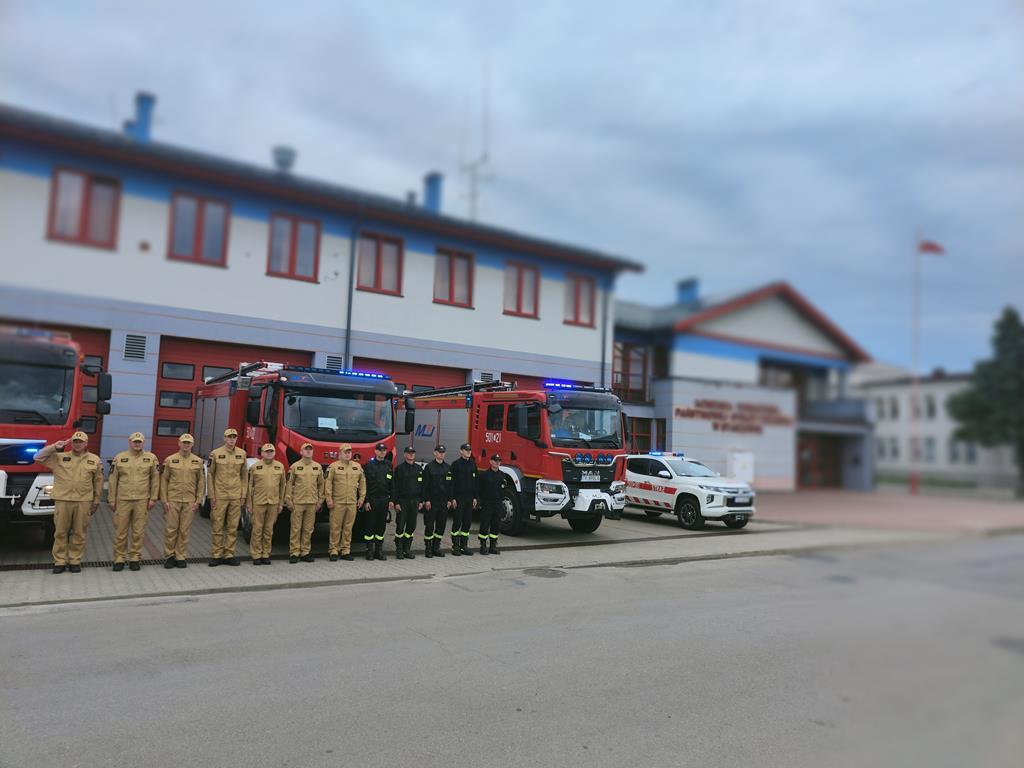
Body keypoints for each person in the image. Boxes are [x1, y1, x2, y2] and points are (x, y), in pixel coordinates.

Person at [35, 431, 103, 574]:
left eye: (81, 442)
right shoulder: (59, 458)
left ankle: (75, 560)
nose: (78, 444)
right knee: (60, 532)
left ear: (86, 443)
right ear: (71, 443)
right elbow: (38, 457)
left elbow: (98, 482)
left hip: (83, 501)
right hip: (63, 500)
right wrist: (55, 446)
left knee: (79, 532)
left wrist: (96, 501)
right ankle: (59, 561)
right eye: (75, 441)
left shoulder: (95, 459)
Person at [108, 431, 159, 571]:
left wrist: (153, 498)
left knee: (138, 531)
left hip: (142, 500)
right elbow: (112, 480)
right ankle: (119, 558)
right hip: (123, 499)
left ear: (143, 443)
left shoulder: (151, 458)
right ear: (129, 442)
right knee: (120, 531)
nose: (137, 444)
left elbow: (155, 480)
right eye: (135, 441)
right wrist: (111, 499)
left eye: (139, 442)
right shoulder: (120, 458)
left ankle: (135, 558)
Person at [159, 433, 205, 568]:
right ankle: (169, 556)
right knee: (171, 529)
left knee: (184, 530)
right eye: (184, 442)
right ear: (179, 443)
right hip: (173, 500)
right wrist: (164, 500)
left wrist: (198, 501)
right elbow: (164, 480)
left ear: (192, 444)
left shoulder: (198, 461)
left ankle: (180, 556)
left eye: (188, 443)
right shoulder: (170, 460)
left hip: (190, 502)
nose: (186, 445)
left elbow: (201, 482)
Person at [207, 427, 247, 566]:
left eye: (234, 437)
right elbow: (210, 475)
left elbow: (244, 476)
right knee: (217, 526)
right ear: (224, 438)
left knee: (232, 527)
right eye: (229, 437)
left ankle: (229, 554)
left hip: (235, 495)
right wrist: (211, 495)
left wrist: (243, 494)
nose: (231, 439)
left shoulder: (242, 454)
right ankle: (216, 555)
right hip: (220, 495)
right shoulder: (215, 454)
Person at [247, 443, 286, 564]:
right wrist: (249, 504)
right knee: (257, 530)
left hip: (273, 503)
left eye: (271, 451)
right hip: (259, 502)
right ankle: (256, 555)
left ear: (274, 453)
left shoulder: (280, 467)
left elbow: (282, 487)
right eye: (267, 451)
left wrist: (281, 503)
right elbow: (249, 487)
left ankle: (265, 554)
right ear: (262, 453)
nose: (269, 453)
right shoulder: (255, 467)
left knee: (269, 530)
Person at [325, 443, 365, 561]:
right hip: (337, 502)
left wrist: (361, 498)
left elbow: (362, 483)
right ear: (340, 453)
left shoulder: (357, 467)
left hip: (351, 502)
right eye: (345, 452)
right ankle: (333, 550)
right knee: (335, 527)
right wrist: (328, 499)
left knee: (348, 528)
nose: (348, 454)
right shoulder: (333, 467)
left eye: (349, 452)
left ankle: (345, 550)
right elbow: (328, 483)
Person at [285, 441, 324, 563]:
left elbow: (321, 485)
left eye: (310, 449)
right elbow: (289, 484)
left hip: (312, 503)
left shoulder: (317, 467)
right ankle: (294, 552)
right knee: (295, 528)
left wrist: (320, 501)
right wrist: (288, 500)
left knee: (308, 529)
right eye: (306, 449)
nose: (308, 451)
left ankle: (305, 552)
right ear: (301, 452)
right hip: (298, 502)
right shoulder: (294, 467)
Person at [361, 442, 394, 561]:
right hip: (372, 500)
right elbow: (364, 485)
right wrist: (366, 501)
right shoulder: (369, 465)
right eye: (380, 450)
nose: (382, 452)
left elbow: (392, 484)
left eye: (384, 450)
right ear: (375, 451)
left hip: (384, 500)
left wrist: (391, 500)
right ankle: (369, 550)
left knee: (381, 526)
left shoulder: (389, 465)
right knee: (370, 525)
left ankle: (378, 551)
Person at [392, 445, 424, 560]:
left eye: (413, 453)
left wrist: (421, 500)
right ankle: (399, 550)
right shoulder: (399, 469)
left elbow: (423, 486)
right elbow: (395, 487)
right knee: (400, 526)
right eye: (409, 453)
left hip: (415, 501)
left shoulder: (418, 469)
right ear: (405, 454)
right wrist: (396, 502)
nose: (411, 455)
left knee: (411, 526)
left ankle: (407, 549)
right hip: (403, 501)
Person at [422, 445, 454, 558]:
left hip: (443, 502)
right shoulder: (429, 467)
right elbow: (425, 486)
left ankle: (436, 548)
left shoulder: (448, 468)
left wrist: (450, 500)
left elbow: (450, 486)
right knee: (429, 525)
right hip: (432, 502)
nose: (441, 454)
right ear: (435, 453)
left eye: (443, 452)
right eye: (439, 452)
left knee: (441, 526)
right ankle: (428, 548)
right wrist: (426, 500)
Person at [449, 442, 477, 556]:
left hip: (469, 498)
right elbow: (451, 483)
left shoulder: (473, 464)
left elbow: (475, 482)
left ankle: (464, 546)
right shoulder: (456, 464)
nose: (468, 452)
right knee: (457, 522)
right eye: (466, 450)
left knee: (467, 522)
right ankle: (455, 546)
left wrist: (475, 497)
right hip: (459, 498)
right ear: (461, 451)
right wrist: (452, 498)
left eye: (469, 450)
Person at [477, 454, 509, 555]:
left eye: (499, 461)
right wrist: (480, 502)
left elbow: (504, 489)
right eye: (495, 460)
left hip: (498, 503)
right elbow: (479, 489)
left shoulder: (502, 475)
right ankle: (483, 546)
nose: (497, 462)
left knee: (496, 525)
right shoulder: (484, 475)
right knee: (485, 524)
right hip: (487, 503)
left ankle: (493, 546)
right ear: (490, 462)